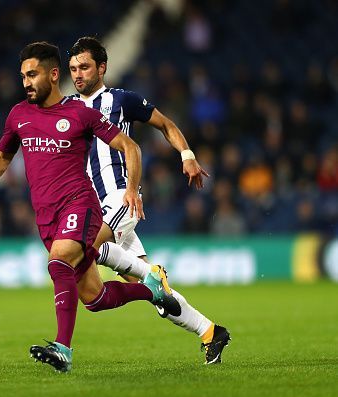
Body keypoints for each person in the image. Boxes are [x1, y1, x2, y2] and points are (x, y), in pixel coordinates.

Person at [0, 42, 180, 373]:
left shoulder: (81, 114)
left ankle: (62, 349)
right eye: (23, 76)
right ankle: (151, 290)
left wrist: (133, 189)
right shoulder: (18, 115)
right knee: (94, 298)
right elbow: (3, 155)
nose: (26, 83)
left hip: (80, 204)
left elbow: (130, 146)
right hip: (46, 216)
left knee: (59, 261)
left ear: (53, 75)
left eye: (32, 74)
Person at [68, 36, 231, 364]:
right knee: (152, 292)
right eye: (73, 68)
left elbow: (165, 124)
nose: (78, 74)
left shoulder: (122, 100)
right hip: (90, 204)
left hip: (120, 197)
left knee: (79, 248)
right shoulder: (67, 109)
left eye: (84, 67)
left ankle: (150, 274)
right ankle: (210, 331)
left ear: (102, 68)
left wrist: (186, 153)